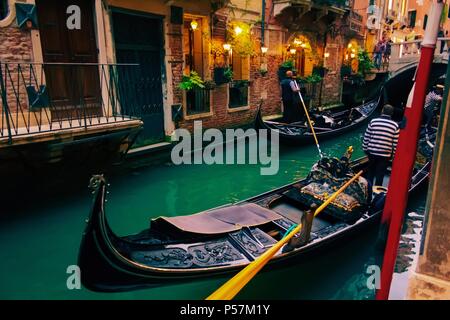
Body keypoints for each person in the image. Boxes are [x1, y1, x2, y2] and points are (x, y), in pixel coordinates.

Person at [362, 104, 399, 187]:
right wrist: (394, 156)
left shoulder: (373, 121)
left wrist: (365, 149)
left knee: (371, 172)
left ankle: (368, 189)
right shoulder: (395, 125)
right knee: (380, 173)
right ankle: (377, 191)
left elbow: (366, 137)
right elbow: (395, 144)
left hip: (372, 152)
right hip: (385, 155)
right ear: (392, 113)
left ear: (382, 111)